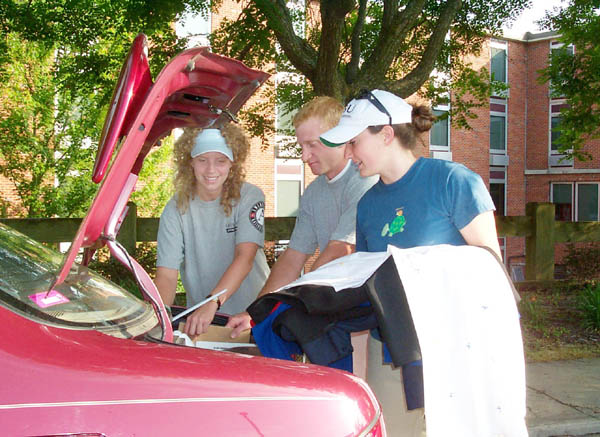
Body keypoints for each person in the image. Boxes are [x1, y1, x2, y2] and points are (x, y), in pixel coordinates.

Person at [319, 89, 501, 436]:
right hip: (388, 350)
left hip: (451, 344)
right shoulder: (368, 205)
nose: (349, 153)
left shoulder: (454, 181)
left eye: (354, 142)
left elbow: (491, 268)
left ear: (386, 134)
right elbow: (366, 285)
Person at [227, 96, 378, 337]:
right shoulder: (313, 193)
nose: (304, 156)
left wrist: (294, 300)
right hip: (336, 305)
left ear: (339, 139)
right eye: (301, 147)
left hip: (370, 309)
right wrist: (256, 312)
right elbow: (293, 258)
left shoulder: (364, 179)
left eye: (312, 145)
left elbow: (339, 250)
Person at [155, 124, 270, 337]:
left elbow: (245, 258)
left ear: (232, 163)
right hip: (206, 323)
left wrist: (212, 301)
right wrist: (157, 318)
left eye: (220, 161)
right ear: (190, 163)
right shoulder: (175, 209)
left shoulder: (250, 196)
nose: (211, 170)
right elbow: (166, 275)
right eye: (202, 160)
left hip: (252, 316)